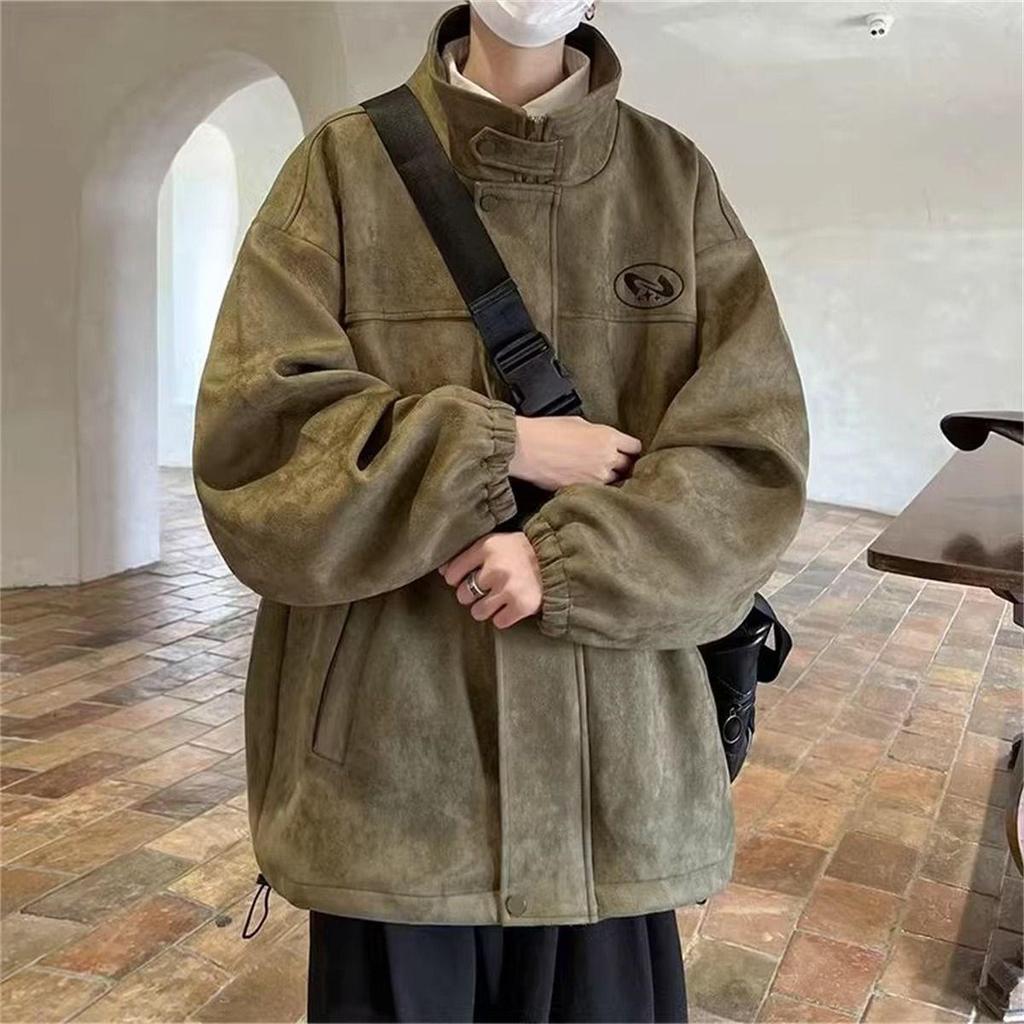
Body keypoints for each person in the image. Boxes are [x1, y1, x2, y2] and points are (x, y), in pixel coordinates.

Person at [192, 1, 810, 1021]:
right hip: (393, 773)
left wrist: (564, 561)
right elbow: (255, 447)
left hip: (613, 771)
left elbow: (752, 464)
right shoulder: (342, 167)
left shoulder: (673, 179)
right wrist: (499, 445)